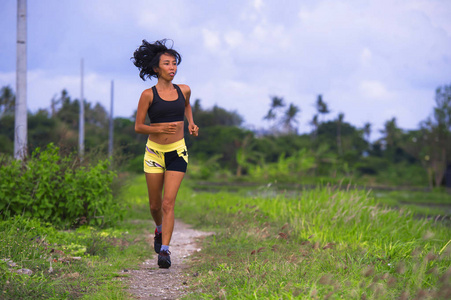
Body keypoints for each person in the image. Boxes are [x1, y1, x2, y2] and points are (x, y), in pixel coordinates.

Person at [132, 39, 199, 269]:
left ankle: (165, 250)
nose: (172, 68)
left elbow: (187, 105)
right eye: (167, 64)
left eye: (174, 64)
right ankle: (159, 230)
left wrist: (191, 123)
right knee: (155, 205)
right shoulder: (147, 95)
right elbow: (139, 126)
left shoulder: (185, 90)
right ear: (156, 69)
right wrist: (159, 128)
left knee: (169, 203)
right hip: (154, 152)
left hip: (178, 151)